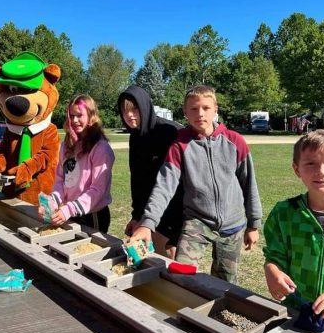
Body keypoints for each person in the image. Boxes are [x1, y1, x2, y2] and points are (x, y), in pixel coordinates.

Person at [130, 85, 262, 283]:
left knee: (225, 282)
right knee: (181, 272)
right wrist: (147, 223)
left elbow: (249, 184)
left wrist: (254, 224)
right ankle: (184, 311)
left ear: (216, 109)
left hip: (233, 225)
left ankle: (215, 314)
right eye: (193, 109)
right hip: (197, 222)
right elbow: (163, 187)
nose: (200, 113)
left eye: (206, 108)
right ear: (185, 112)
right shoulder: (179, 146)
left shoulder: (235, 141)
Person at [263, 130, 324, 333]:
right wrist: (272, 272)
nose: (321, 171)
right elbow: (275, 257)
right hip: (296, 317)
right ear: (297, 169)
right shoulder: (284, 213)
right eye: (311, 164)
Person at [118, 85, 183, 258]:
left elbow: (180, 180)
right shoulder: (136, 136)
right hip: (151, 209)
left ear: (145, 107)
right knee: (146, 253)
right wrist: (137, 216)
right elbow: (137, 180)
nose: (130, 115)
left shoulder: (170, 131)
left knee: (167, 255)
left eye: (135, 109)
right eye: (125, 111)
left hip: (175, 208)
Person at [38, 95, 115, 233]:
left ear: (91, 116)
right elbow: (61, 180)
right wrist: (51, 202)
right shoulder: (66, 145)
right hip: (71, 213)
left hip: (93, 215)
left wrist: (69, 210)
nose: (74, 120)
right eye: (71, 115)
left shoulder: (101, 148)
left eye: (79, 115)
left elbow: (97, 190)